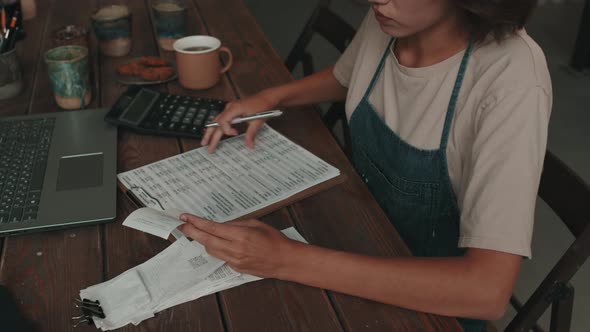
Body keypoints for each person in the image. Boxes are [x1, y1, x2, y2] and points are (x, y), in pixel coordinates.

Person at [179, 0, 551, 330]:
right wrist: (272, 96)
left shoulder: (511, 80)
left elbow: (486, 293)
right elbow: (346, 75)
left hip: (432, 307)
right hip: (356, 234)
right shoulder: (391, 19)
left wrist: (284, 260)